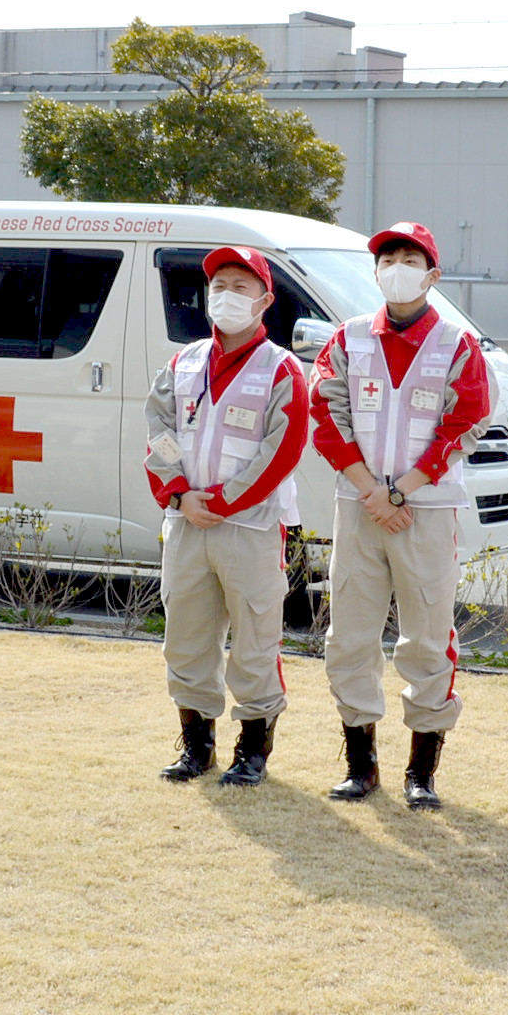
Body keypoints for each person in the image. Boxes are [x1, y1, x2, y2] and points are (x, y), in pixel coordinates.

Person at [311, 220, 494, 808]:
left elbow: (464, 422)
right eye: (387, 258)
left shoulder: (458, 346)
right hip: (360, 504)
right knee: (350, 636)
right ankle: (361, 765)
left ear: (432, 274)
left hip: (428, 508)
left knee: (428, 637)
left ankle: (422, 771)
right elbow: (325, 412)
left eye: (409, 259)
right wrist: (371, 490)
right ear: (375, 271)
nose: (396, 268)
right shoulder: (348, 339)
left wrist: (402, 491)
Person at [147, 244, 312, 785]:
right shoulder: (183, 363)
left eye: (240, 288)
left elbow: (281, 450)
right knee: (187, 638)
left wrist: (220, 501)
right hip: (186, 521)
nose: (226, 297)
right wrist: (178, 493)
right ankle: (197, 747)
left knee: (255, 638)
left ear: (265, 299)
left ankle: (253, 752)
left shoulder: (282, 369)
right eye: (218, 287)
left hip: (252, 526)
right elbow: (160, 431)